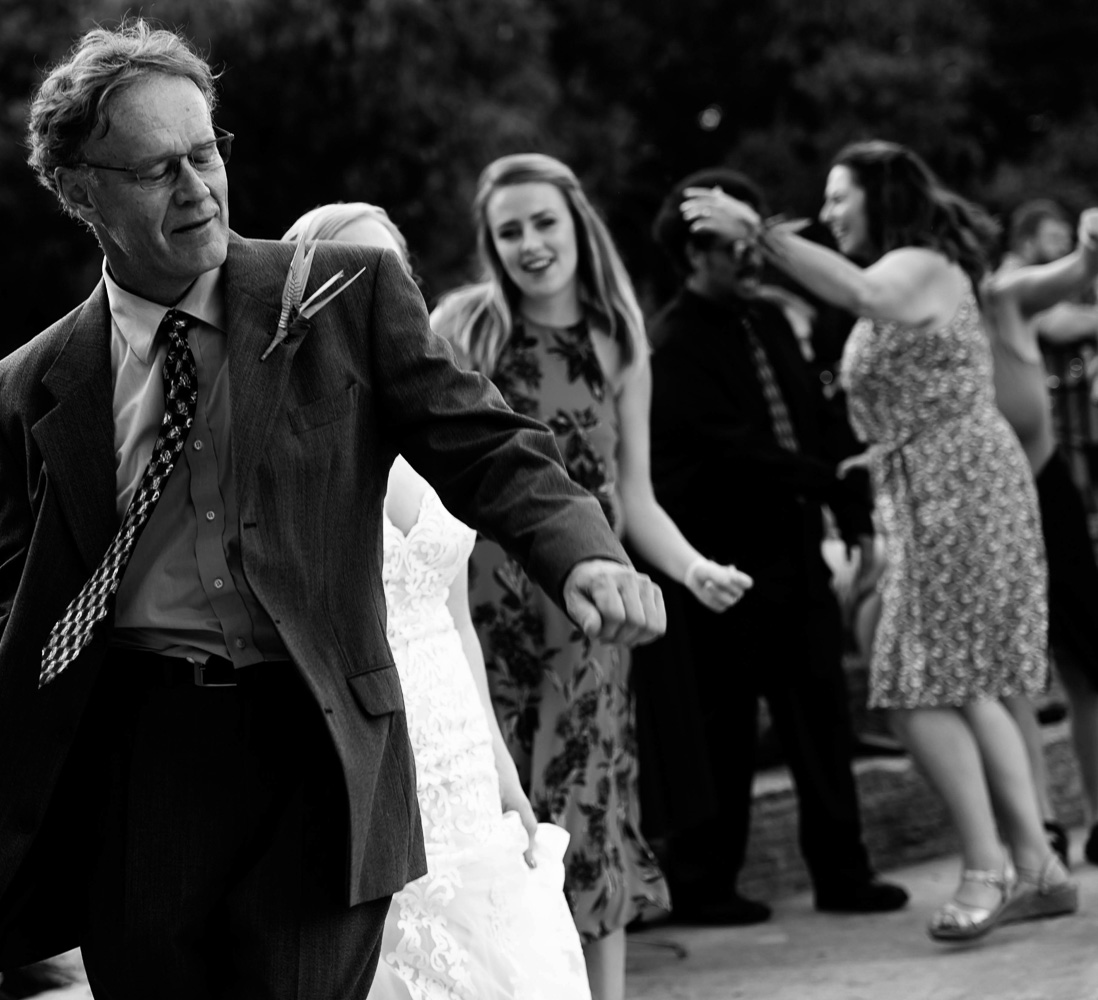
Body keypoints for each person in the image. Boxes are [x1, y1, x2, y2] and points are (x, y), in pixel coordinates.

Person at [0, 22, 666, 1000]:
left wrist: (581, 554)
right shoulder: (28, 392)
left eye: (206, 150)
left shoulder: (343, 297)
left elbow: (486, 442)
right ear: (79, 189)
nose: (198, 187)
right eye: (156, 168)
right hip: (141, 768)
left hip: (319, 747)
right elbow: (11, 633)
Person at [682, 140, 1077, 942]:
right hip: (929, 483)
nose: (828, 214)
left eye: (838, 197)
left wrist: (756, 231)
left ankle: (993, 867)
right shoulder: (910, 270)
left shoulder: (918, 263)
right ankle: (1035, 865)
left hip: (958, 487)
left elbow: (863, 290)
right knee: (959, 682)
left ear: (882, 195)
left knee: (917, 685)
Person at [431, 153, 752, 1000]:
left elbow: (631, 495)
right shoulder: (466, 330)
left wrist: (691, 568)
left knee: (590, 820)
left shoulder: (620, 339)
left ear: (577, 223)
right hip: (483, 615)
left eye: (544, 222)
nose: (531, 244)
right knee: (505, 829)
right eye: (510, 231)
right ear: (491, 245)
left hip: (591, 621)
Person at [286, 201, 591, 999]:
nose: (369, 291)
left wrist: (503, 773)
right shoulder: (291, 443)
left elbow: (457, 620)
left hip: (456, 747)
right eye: (344, 274)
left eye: (389, 273)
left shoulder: (433, 425)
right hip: (366, 753)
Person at [646, 167, 910, 926]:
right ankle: (705, 883)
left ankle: (843, 872)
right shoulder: (673, 345)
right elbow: (734, 451)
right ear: (696, 255)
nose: (753, 260)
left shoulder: (768, 323)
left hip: (794, 551)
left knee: (821, 716)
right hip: (725, 563)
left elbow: (812, 419)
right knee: (723, 728)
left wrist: (849, 507)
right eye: (736, 247)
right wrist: (827, 477)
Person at [984, 203, 1098, 868]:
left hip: (1049, 494)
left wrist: (1087, 252)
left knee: (1087, 665)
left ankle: (1093, 817)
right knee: (1010, 676)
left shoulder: (1008, 295)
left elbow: (1070, 277)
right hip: (987, 506)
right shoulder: (991, 294)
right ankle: (1041, 830)